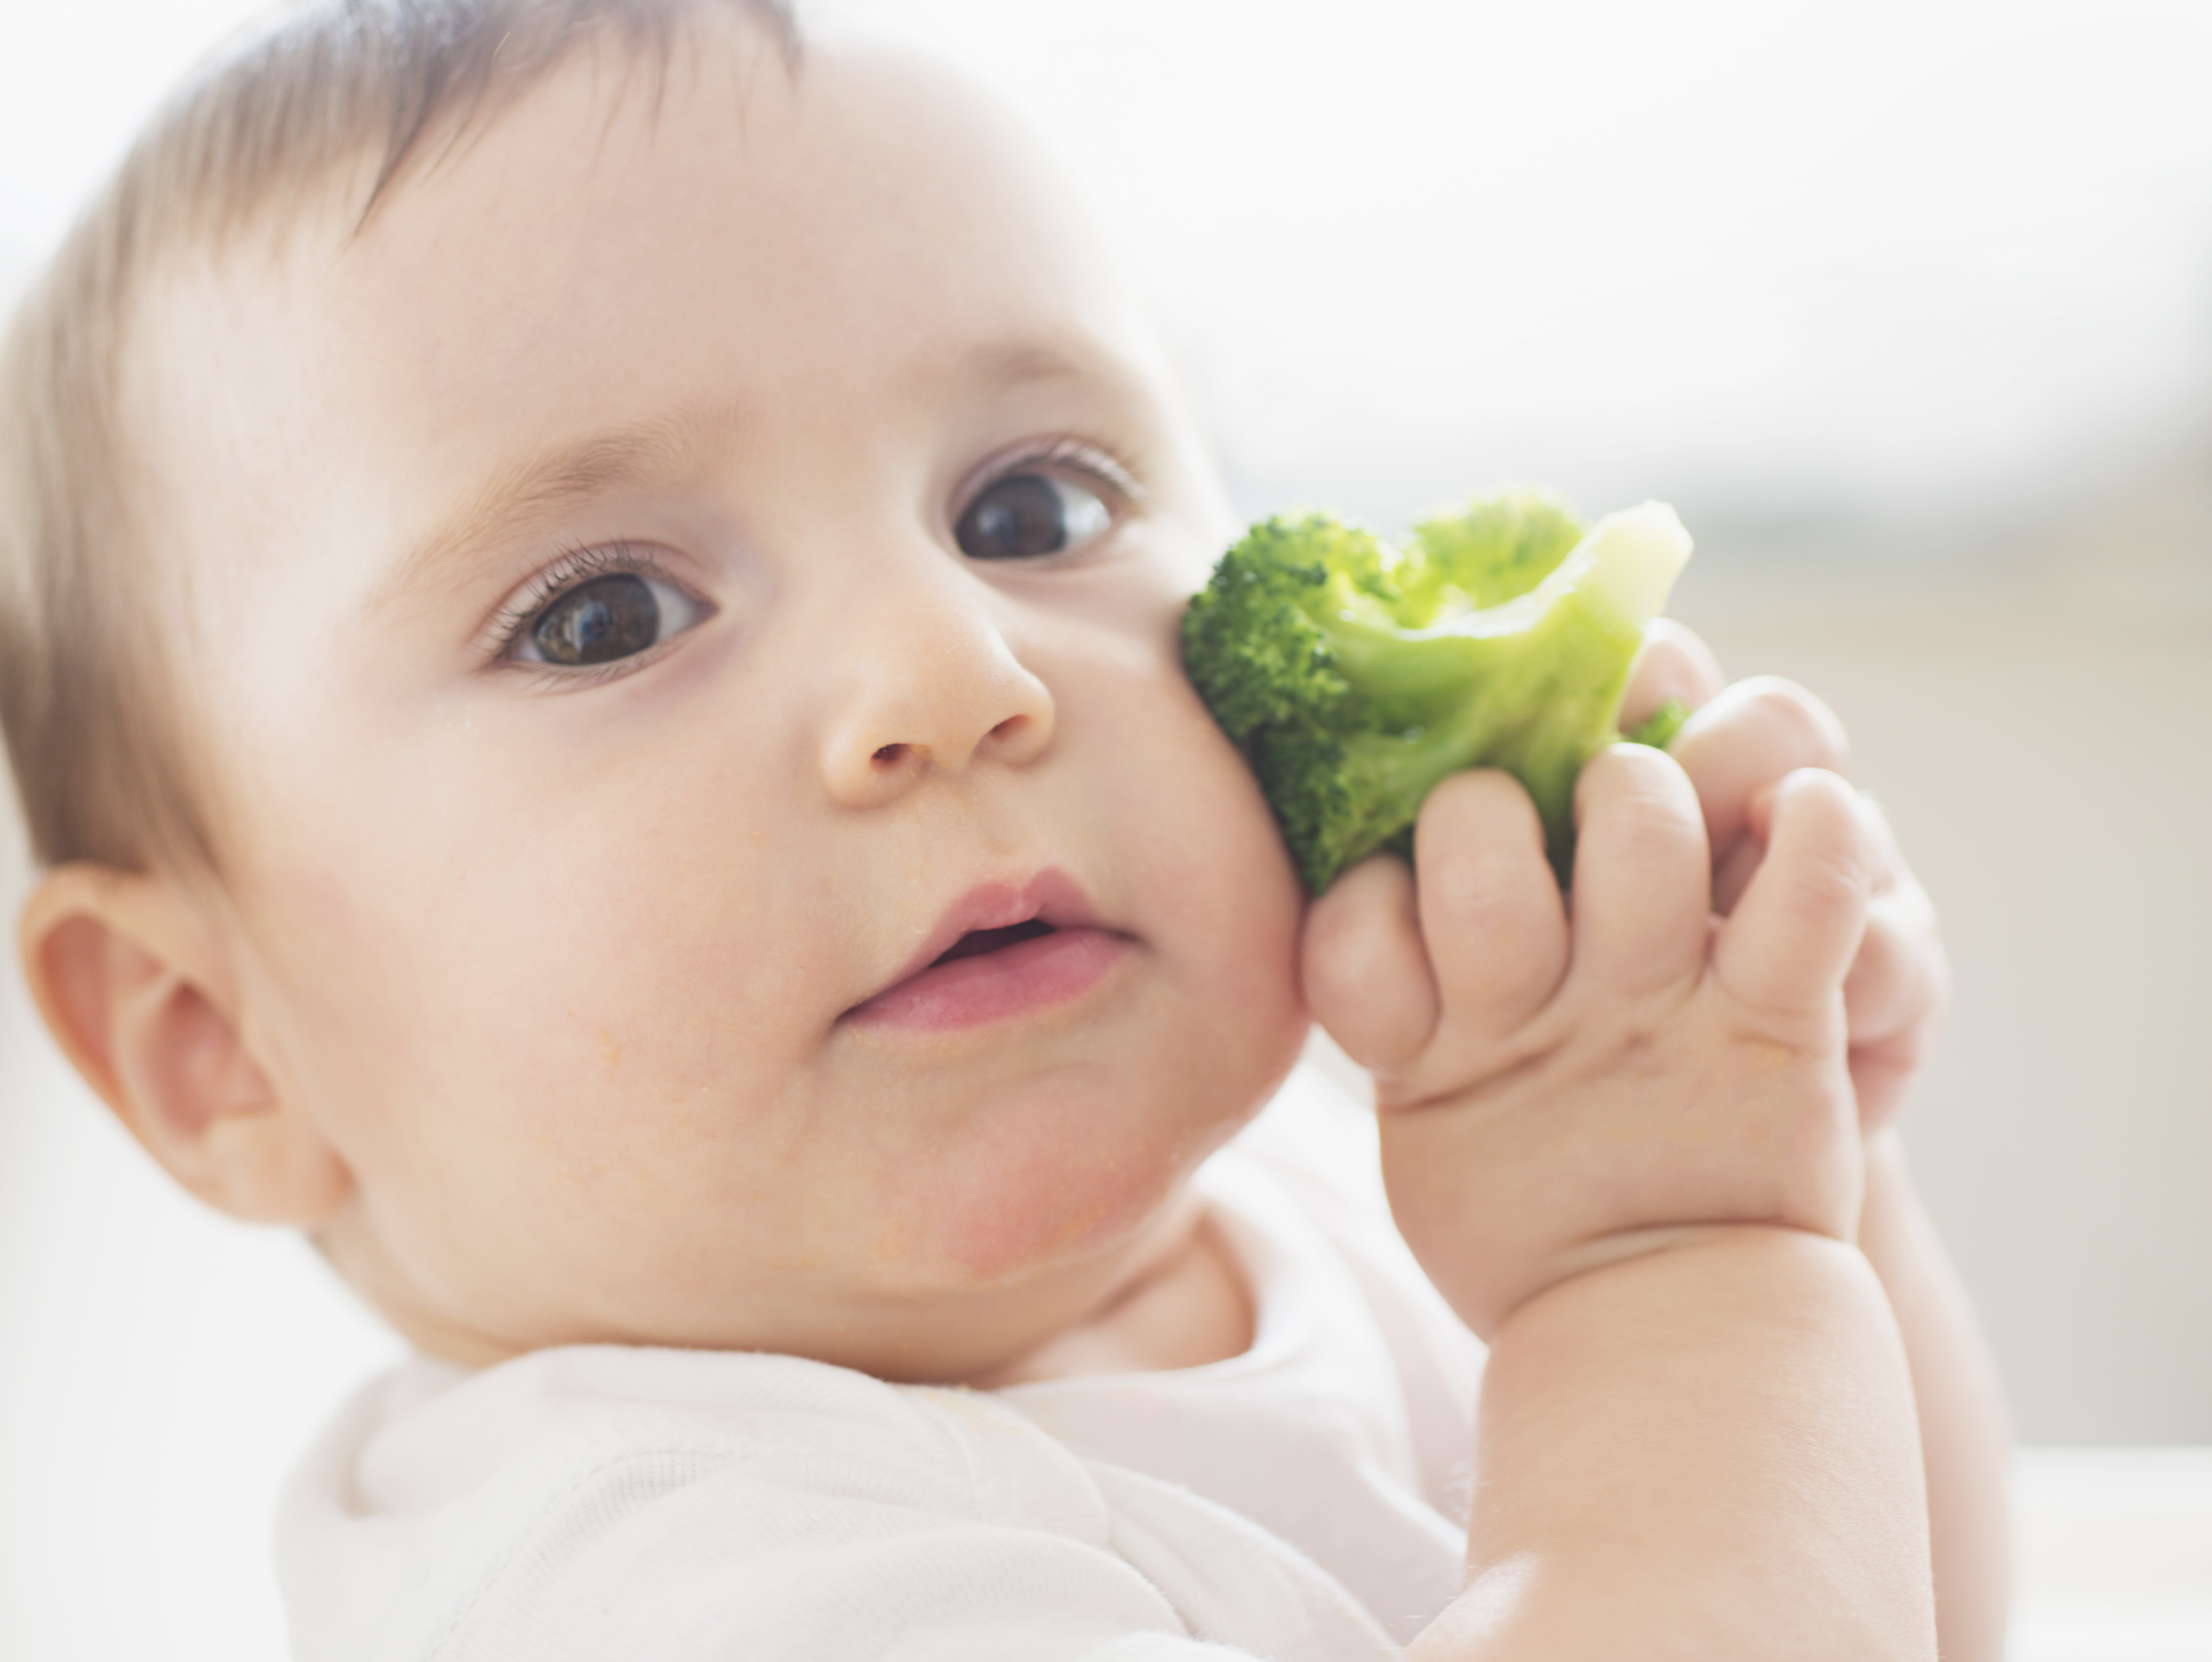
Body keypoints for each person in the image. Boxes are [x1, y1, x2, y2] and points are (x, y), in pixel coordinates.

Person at [0, 1, 2009, 1656]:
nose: (949, 666)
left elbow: (1900, 1615)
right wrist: (1662, 1269)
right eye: (602, 615)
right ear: (216, 1041)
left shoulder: (1300, 1199)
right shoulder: (663, 1579)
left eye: (1026, 508)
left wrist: (1807, 1190)